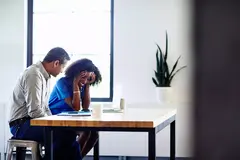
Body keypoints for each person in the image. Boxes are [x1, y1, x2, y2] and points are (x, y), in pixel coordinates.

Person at [8, 47, 82, 160]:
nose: (62, 71)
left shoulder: (45, 77)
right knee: (64, 135)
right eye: (63, 67)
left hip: (31, 122)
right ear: (56, 63)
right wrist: (54, 124)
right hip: (21, 125)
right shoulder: (34, 74)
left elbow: (45, 108)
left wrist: (55, 121)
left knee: (68, 134)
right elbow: (35, 111)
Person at [48, 58, 102, 158]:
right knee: (85, 132)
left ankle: (77, 158)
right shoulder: (62, 82)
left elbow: (85, 107)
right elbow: (76, 107)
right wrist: (75, 84)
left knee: (94, 134)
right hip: (57, 119)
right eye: (83, 77)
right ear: (76, 74)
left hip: (70, 119)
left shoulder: (83, 85)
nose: (85, 81)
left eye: (88, 78)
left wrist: (87, 86)